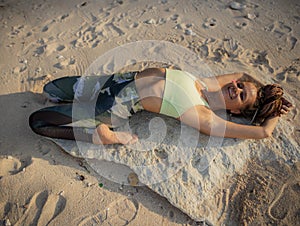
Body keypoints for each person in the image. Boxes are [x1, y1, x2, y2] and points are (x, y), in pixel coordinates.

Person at [29, 68, 293, 145]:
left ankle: (103, 136)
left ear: (235, 111)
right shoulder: (204, 84)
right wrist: (269, 93)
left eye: (240, 95)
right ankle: (78, 109)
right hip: (113, 81)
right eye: (238, 85)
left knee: (38, 122)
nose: (235, 87)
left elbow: (263, 132)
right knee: (51, 89)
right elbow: (243, 73)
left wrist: (273, 113)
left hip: (111, 106)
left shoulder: (201, 114)